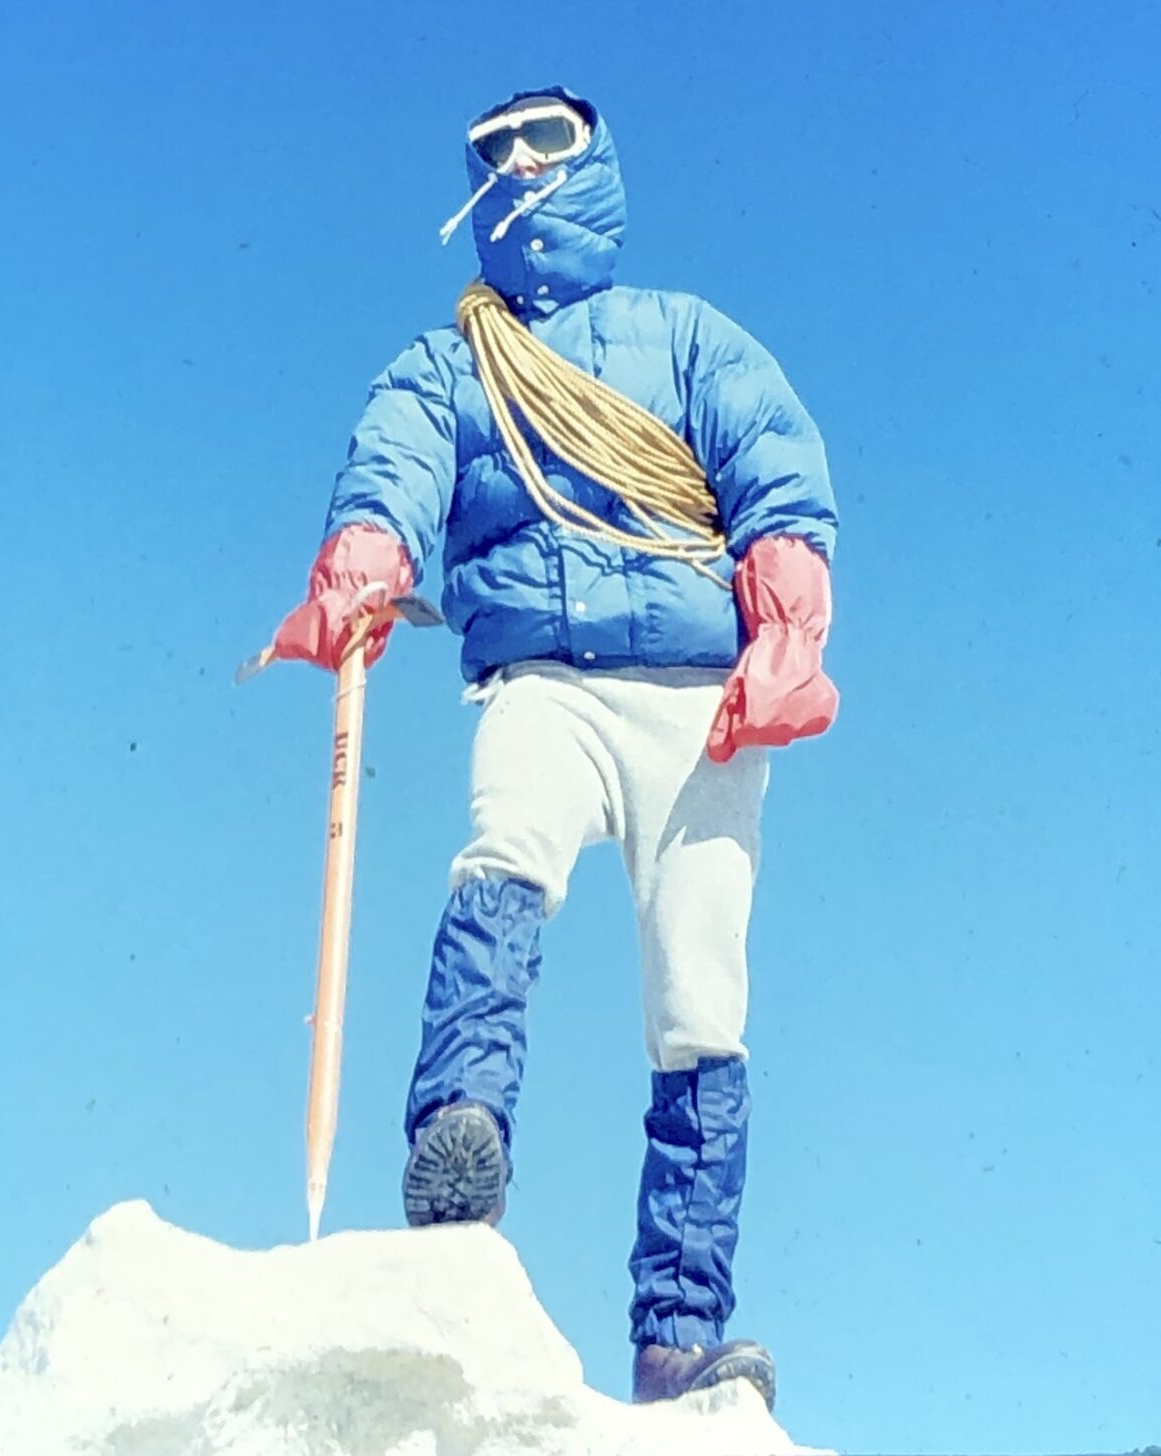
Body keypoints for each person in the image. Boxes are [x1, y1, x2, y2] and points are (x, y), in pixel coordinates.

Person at [269, 87, 838, 1409]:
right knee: (505, 849)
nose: (520, 163)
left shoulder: (687, 339)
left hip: (700, 697)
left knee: (702, 997)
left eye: (549, 141)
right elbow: (399, 461)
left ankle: (679, 1336)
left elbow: (768, 463)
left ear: (597, 160)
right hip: (543, 676)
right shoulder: (453, 364)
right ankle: (458, 1138)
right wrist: (366, 560)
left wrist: (789, 615)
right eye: (493, 148)